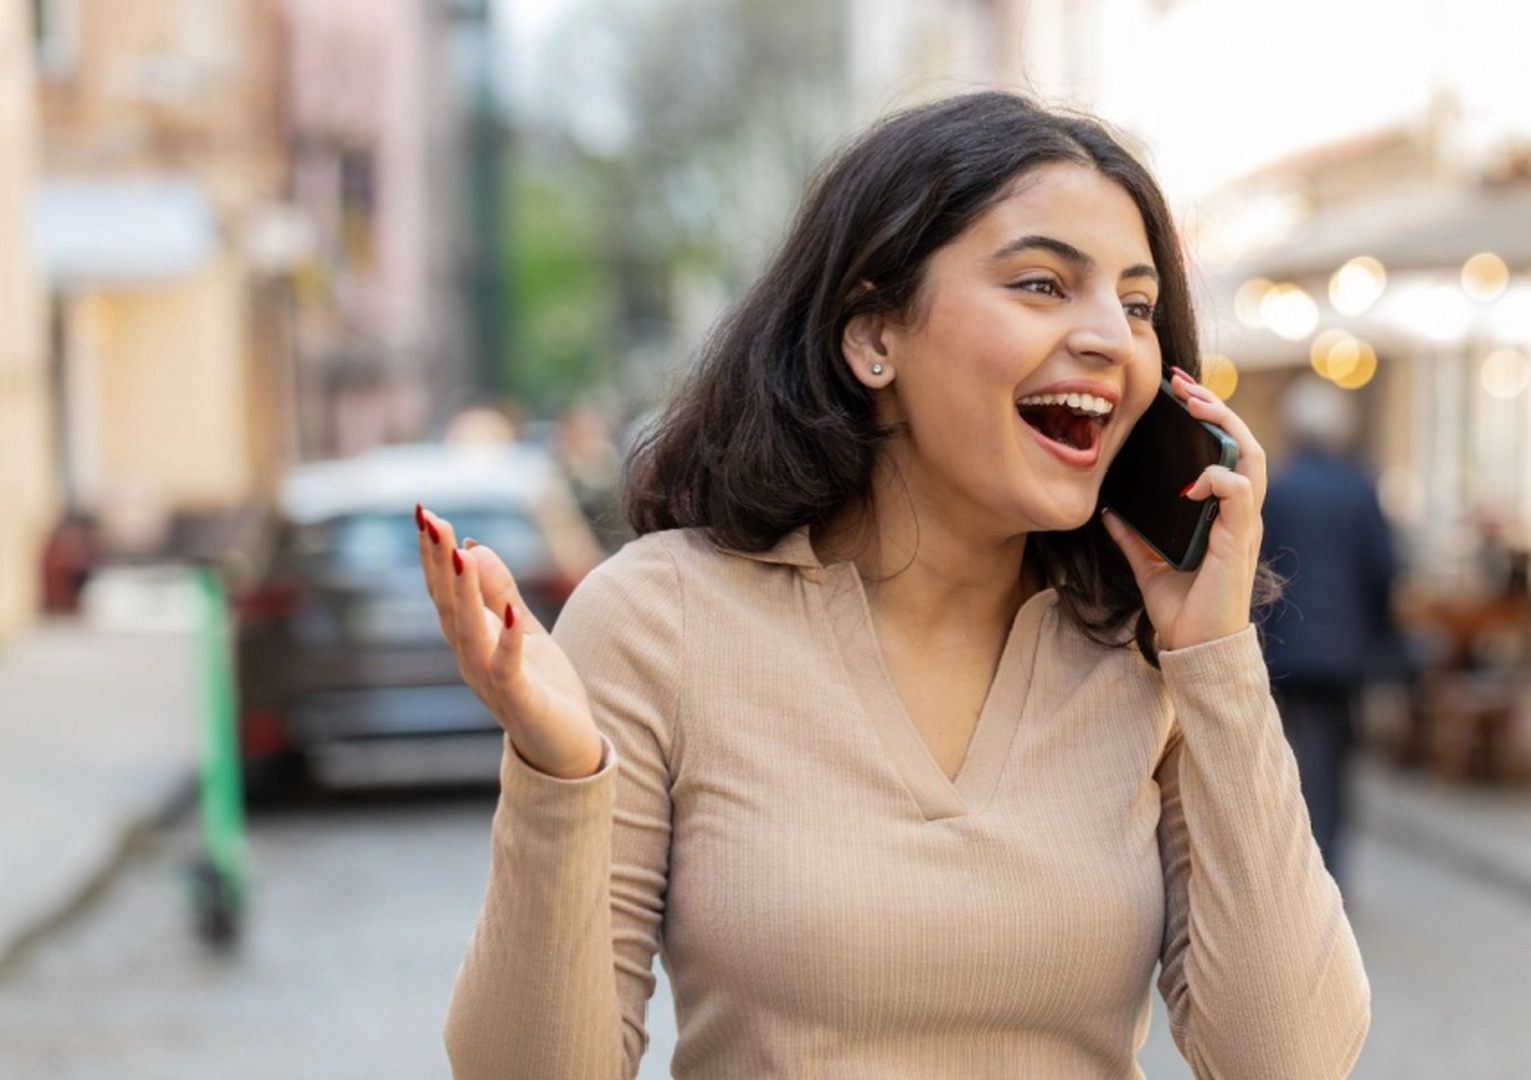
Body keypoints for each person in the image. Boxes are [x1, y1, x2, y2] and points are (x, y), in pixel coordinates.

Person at [417, 92, 1369, 1078]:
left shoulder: (1142, 651)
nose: (1112, 339)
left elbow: (1289, 1063)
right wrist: (561, 774)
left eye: (1136, 305)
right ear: (873, 337)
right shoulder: (659, 617)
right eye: (1043, 284)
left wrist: (1214, 658)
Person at [1257, 377, 1397, 886]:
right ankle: (1328, 863)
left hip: (1288, 648)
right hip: (1345, 649)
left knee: (1294, 753)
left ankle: (1304, 866)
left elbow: (1259, 564)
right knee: (1336, 757)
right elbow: (1384, 567)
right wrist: (1378, 632)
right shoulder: (1358, 487)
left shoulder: (1280, 485)